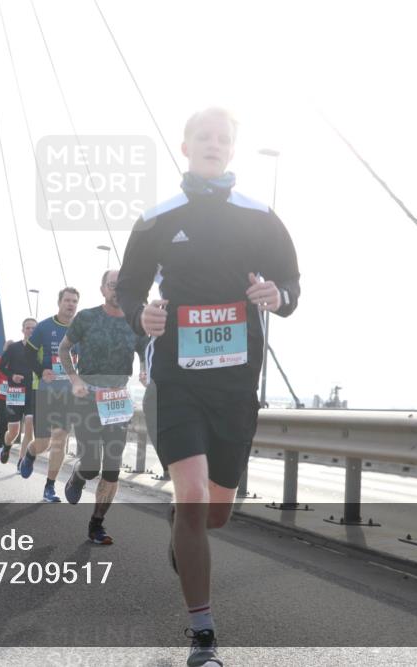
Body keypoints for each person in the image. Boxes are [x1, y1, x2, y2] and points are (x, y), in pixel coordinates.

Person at [116, 107, 301, 667]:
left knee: (213, 513)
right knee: (192, 495)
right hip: (176, 378)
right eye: (204, 137)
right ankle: (204, 638)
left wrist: (277, 296)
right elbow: (127, 289)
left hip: (235, 385)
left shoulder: (261, 217)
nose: (213, 144)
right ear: (185, 145)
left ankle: (184, 529)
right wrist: (140, 317)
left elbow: (293, 285)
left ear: (232, 149)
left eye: (223, 138)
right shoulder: (157, 219)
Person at [59, 270, 146, 545]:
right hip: (87, 397)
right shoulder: (86, 318)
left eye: (121, 286)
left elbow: (145, 352)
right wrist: (74, 379)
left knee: (112, 468)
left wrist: (144, 370)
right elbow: (64, 348)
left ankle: (97, 524)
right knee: (91, 464)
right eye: (112, 286)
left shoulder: (135, 323)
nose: (116, 291)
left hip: (117, 400)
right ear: (102, 289)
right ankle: (78, 475)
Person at [18, 287, 80, 503]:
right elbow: (27, 353)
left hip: (68, 394)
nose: (71, 304)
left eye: (74, 301)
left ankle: (49, 487)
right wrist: (40, 370)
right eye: (67, 300)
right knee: (43, 442)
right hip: (46, 392)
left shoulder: (81, 329)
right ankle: (30, 454)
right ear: (59, 302)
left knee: (60, 440)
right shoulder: (45, 327)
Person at [0, 318, 37, 467]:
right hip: (16, 391)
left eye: (34, 328)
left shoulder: (40, 349)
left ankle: (22, 461)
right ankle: (7, 446)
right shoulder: (13, 348)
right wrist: (12, 376)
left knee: (29, 427)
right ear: (23, 330)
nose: (31, 331)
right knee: (13, 431)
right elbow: (2, 367)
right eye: (28, 328)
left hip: (32, 392)